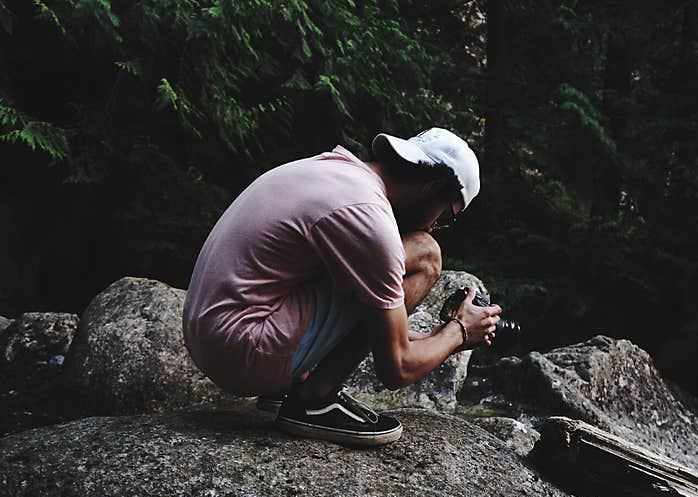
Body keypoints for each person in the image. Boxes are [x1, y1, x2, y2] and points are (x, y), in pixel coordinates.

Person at [182, 127, 501, 446]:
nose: (435, 226)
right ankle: (313, 399)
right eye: (446, 216)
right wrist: (458, 331)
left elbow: (369, 324)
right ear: (432, 186)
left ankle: (285, 383)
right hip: (240, 353)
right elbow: (396, 368)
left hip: (208, 334)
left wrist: (434, 336)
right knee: (426, 254)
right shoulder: (369, 218)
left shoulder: (331, 168)